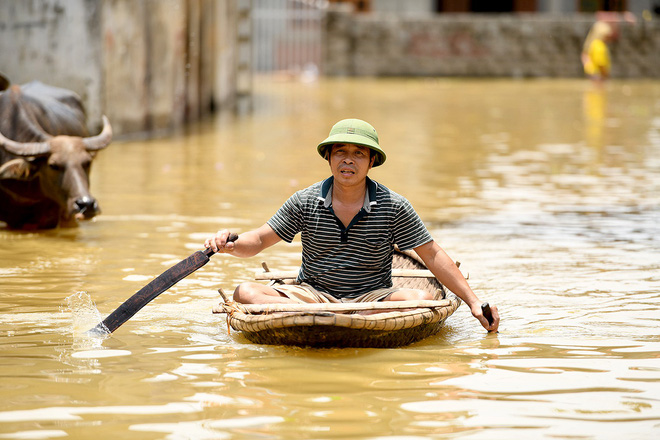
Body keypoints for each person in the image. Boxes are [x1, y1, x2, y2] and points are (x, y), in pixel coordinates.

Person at [205, 119, 499, 331]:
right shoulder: (305, 200)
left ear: (371, 161)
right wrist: (230, 243)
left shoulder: (393, 205)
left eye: (358, 153)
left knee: (423, 299)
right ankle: (320, 316)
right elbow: (257, 240)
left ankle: (345, 317)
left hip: (374, 298)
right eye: (340, 152)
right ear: (329, 158)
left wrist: (474, 302)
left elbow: (432, 255)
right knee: (245, 292)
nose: (348, 160)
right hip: (313, 295)